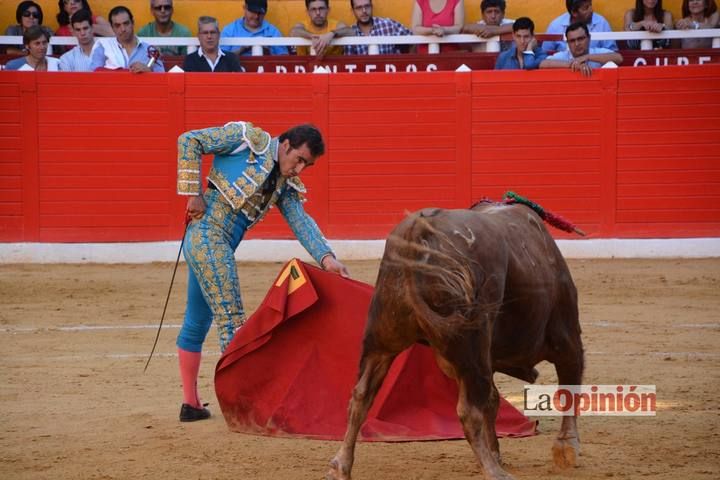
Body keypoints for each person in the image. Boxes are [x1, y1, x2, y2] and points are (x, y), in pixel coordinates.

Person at [175, 121, 349, 422]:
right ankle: (243, 404)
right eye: (299, 160)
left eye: (306, 165)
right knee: (232, 320)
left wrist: (326, 258)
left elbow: (301, 221)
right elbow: (189, 139)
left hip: (212, 245)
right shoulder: (245, 139)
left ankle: (191, 405)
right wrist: (193, 193)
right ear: (285, 145)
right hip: (207, 237)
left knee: (198, 319)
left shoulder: (284, 183)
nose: (299, 170)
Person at [90, 6, 165, 73]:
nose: (123, 29)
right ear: (112, 28)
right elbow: (94, 73)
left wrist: (149, 71)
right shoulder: (104, 47)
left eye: (126, 23)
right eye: (117, 25)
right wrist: (126, 72)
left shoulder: (150, 50)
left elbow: (162, 77)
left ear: (132, 23)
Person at [540, 22, 623, 76]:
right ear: (568, 43)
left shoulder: (596, 52)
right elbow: (542, 64)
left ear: (589, 38)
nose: (577, 44)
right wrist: (573, 65)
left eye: (580, 39)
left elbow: (619, 58)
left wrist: (587, 57)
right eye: (572, 41)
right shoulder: (564, 56)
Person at [342, 0, 413, 55]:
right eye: (359, 8)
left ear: (372, 6)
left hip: (390, 73)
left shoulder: (388, 25)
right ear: (352, 11)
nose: (364, 11)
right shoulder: (350, 33)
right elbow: (349, 64)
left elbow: (413, 40)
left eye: (367, 6)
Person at [543, 0, 617, 52]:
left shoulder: (601, 22)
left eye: (590, 5)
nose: (591, 10)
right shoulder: (556, 26)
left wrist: (589, 58)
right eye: (586, 8)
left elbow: (613, 52)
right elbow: (545, 54)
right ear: (574, 12)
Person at [220, 0, 288, 56]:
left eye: (260, 13)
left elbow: (285, 60)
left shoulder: (273, 32)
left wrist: (267, 53)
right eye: (253, 12)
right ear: (245, 8)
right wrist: (241, 50)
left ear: (265, 12)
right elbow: (221, 60)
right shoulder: (230, 30)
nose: (256, 16)